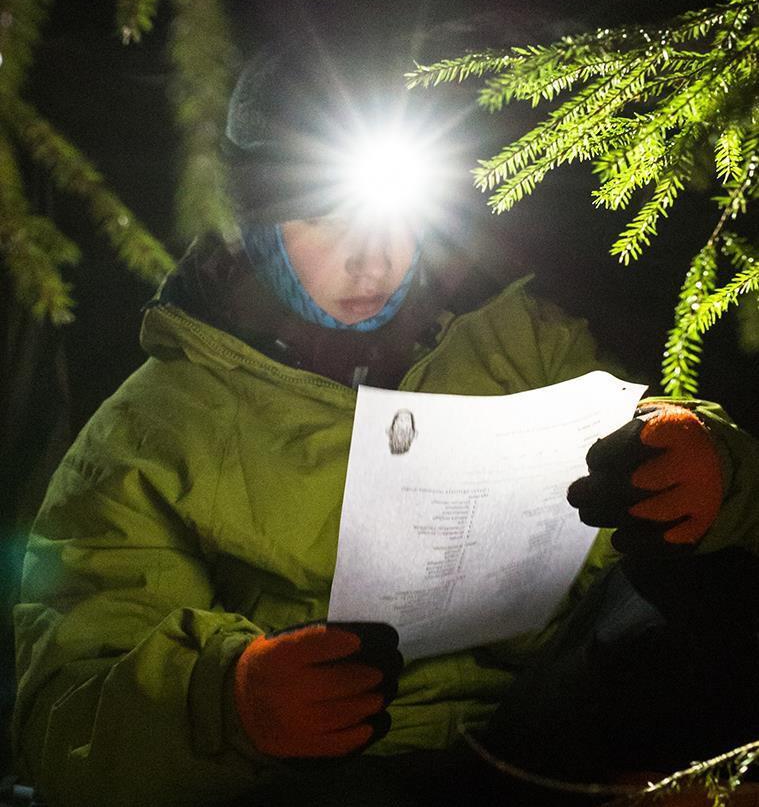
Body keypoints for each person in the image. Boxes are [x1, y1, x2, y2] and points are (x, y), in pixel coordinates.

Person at [11, 54, 759, 807]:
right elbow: (63, 719)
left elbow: (666, 506)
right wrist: (230, 704)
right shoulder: (155, 428)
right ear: (254, 228)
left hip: (557, 726)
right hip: (335, 777)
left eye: (392, 215)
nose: (370, 256)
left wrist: (706, 468)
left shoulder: (515, 338)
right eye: (323, 217)